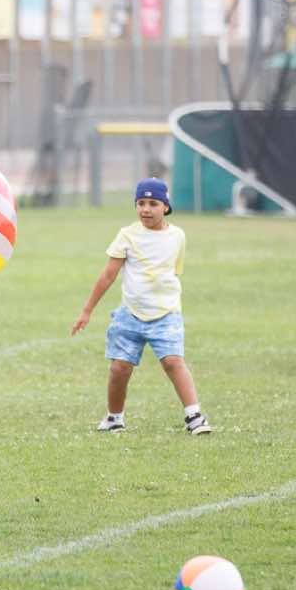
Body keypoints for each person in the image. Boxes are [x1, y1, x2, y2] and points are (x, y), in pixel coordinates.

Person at [70, 177, 211, 435]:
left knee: (173, 361)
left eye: (153, 204)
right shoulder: (127, 235)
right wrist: (87, 310)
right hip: (130, 314)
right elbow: (108, 275)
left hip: (166, 313)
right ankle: (114, 418)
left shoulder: (177, 236)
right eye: (141, 203)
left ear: (166, 207)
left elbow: (174, 271)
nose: (146, 209)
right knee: (119, 368)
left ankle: (195, 417)